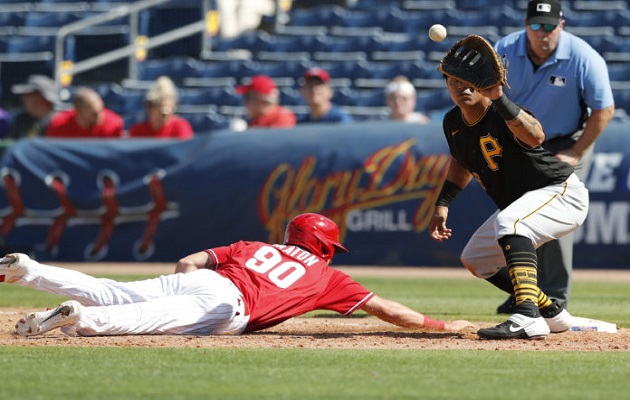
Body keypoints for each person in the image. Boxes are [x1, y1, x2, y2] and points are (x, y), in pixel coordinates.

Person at [2, 213, 472, 337]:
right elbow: (387, 310)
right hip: (228, 306)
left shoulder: (255, 245)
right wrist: (440, 325)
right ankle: (78, 319)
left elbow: (189, 262)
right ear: (325, 247)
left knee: (116, 291)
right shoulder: (329, 277)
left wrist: (182, 285)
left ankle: (30, 270)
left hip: (203, 281)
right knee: (146, 320)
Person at [429, 36, 589, 339]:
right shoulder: (452, 121)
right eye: (453, 80)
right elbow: (461, 161)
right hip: (528, 200)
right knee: (476, 257)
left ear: (481, 82)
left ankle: (527, 316)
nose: (460, 86)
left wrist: (500, 98)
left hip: (560, 192)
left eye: (467, 80)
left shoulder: (501, 111)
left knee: (510, 224)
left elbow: (536, 137)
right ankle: (550, 311)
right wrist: (443, 201)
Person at [492, 0, 615, 313]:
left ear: (561, 25)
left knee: (554, 215)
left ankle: (555, 297)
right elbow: (484, 94)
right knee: (517, 219)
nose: (541, 32)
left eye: (549, 26)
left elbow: (604, 109)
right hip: (520, 143)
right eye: (536, 25)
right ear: (525, 24)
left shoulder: (583, 57)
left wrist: (575, 151)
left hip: (566, 142)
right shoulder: (504, 49)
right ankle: (525, 292)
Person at [129, 76, 193, 139]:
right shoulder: (137, 131)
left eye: (169, 109)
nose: (166, 114)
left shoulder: (181, 127)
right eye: (161, 110)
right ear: (150, 109)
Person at [46, 87, 124, 138]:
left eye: (101, 111)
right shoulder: (59, 125)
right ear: (78, 111)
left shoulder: (114, 124)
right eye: (94, 114)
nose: (100, 116)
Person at [8, 75, 59, 139]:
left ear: (42, 97)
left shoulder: (58, 122)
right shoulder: (21, 120)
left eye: (28, 95)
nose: (23, 99)